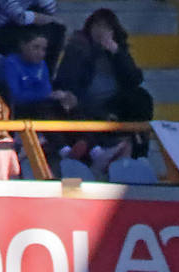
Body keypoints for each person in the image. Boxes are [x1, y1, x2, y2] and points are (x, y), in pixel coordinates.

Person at [52, 7, 152, 160]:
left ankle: (141, 152)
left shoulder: (117, 49)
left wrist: (116, 53)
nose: (100, 31)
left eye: (105, 27)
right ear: (89, 28)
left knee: (142, 98)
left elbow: (134, 79)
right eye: (97, 26)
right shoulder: (78, 48)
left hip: (114, 103)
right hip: (86, 101)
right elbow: (66, 82)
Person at [0, 28, 74, 119]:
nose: (40, 53)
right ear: (22, 45)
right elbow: (14, 96)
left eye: (44, 49)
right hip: (15, 112)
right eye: (35, 47)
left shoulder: (42, 64)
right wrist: (46, 95)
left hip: (39, 108)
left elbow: (47, 89)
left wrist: (61, 97)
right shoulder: (9, 64)